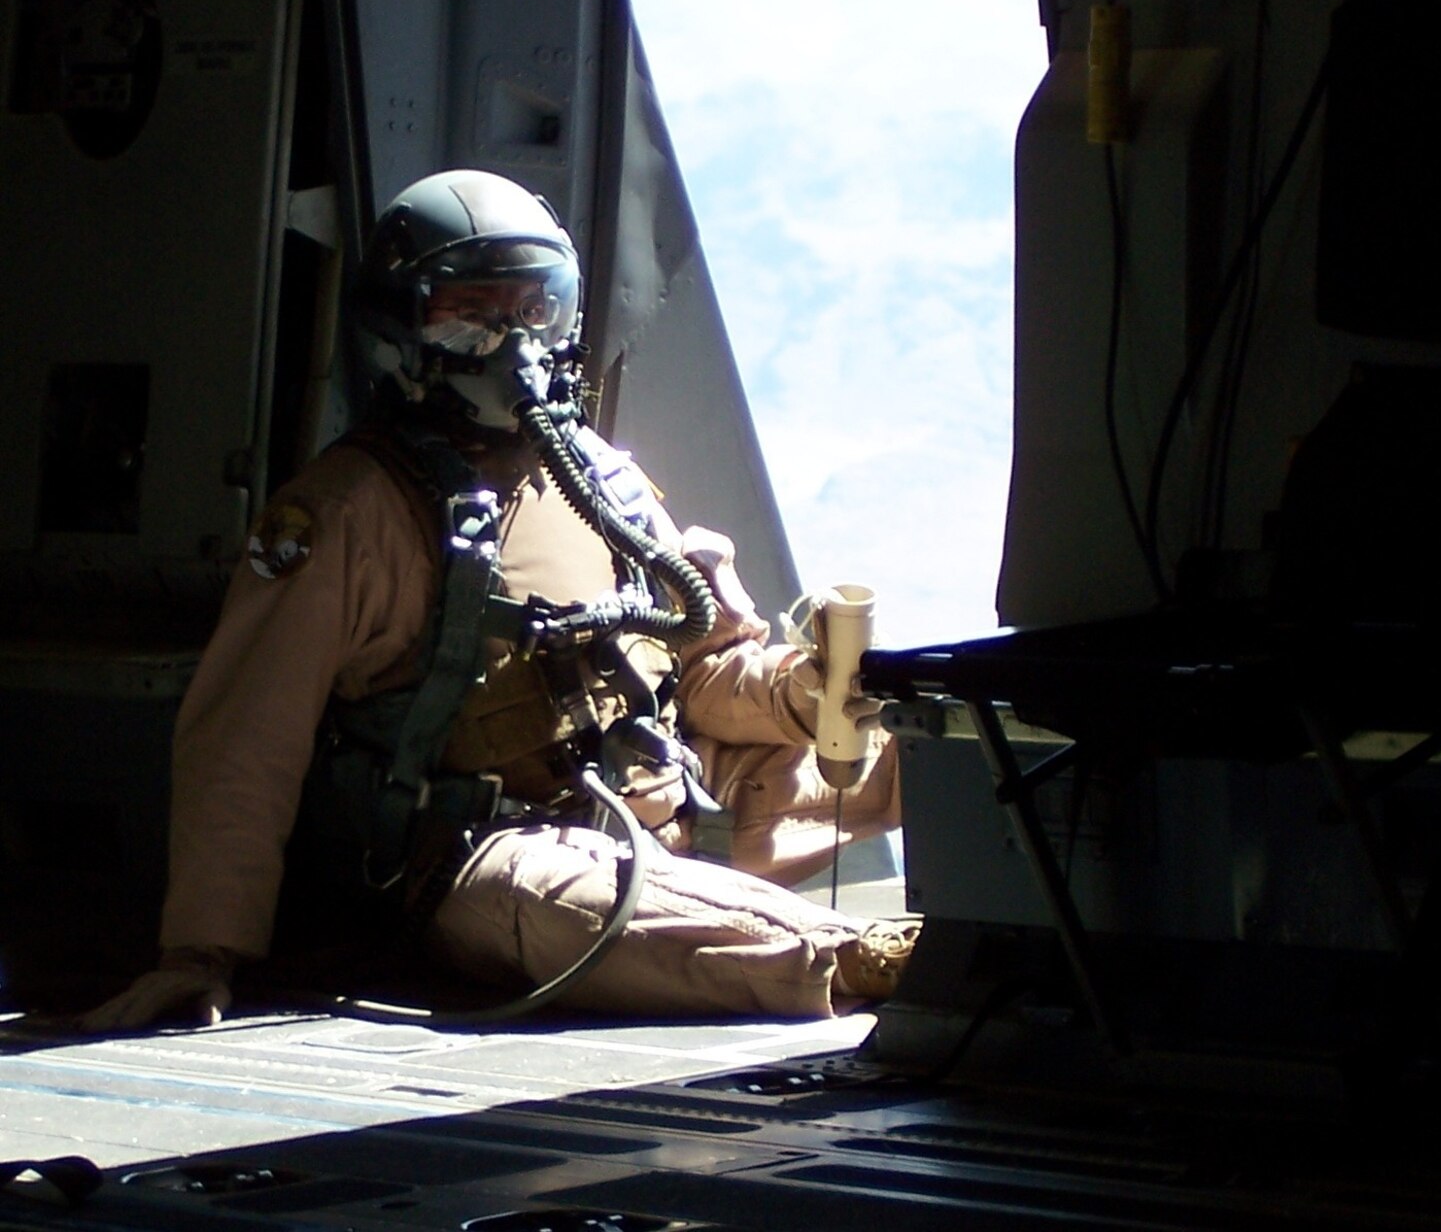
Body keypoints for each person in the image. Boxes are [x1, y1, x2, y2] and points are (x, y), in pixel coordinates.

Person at [81, 170, 906, 1032]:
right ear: (402, 331)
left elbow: (697, 662)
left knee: (944, 764)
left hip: (662, 799)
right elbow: (246, 741)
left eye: (534, 310)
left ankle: (969, 928)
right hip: (487, 856)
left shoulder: (600, 478)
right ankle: (864, 955)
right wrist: (204, 950)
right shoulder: (348, 513)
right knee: (612, 918)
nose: (513, 340)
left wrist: (803, 693)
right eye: (470, 314)